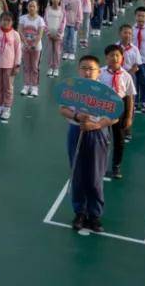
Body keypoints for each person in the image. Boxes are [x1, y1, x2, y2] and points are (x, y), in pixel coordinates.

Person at [60, 54, 117, 233]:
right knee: (77, 174)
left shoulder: (106, 92)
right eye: (83, 68)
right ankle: (79, 212)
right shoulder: (73, 90)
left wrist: (97, 124)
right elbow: (62, 109)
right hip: (76, 132)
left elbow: (114, 117)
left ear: (98, 72)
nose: (87, 72)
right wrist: (77, 116)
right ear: (78, 70)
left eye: (91, 69)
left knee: (95, 177)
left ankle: (95, 214)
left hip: (98, 135)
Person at [100, 44, 135, 180]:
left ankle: (116, 166)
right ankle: (100, 165)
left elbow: (130, 97)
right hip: (102, 108)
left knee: (119, 140)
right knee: (101, 138)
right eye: (111, 55)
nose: (114, 58)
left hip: (119, 109)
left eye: (117, 55)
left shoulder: (126, 76)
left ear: (122, 58)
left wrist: (129, 117)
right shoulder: (100, 73)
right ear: (106, 58)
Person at [0, 12, 21, 121]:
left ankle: (7, 107)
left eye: (8, 20)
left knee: (8, 87)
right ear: (0, 20)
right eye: (3, 19)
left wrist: (17, 65)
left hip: (9, 66)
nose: (5, 22)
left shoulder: (15, 34)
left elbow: (18, 51)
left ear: (12, 22)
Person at [18, 0, 45, 97]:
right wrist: (25, 43)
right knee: (26, 66)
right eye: (30, 6)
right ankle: (26, 86)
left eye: (34, 6)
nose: (32, 8)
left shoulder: (40, 20)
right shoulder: (23, 18)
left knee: (34, 67)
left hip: (36, 48)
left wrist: (34, 44)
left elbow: (40, 34)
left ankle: (34, 87)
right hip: (25, 47)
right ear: (27, 7)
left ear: (37, 8)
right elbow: (20, 31)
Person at [44, 0, 66, 78]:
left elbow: (63, 22)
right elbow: (45, 21)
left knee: (57, 51)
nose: (55, 0)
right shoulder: (47, 9)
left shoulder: (62, 10)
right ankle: (50, 67)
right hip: (49, 35)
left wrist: (59, 33)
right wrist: (48, 33)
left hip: (58, 36)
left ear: (59, 0)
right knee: (50, 51)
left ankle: (56, 68)